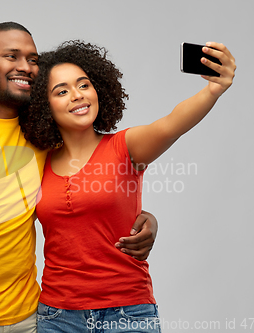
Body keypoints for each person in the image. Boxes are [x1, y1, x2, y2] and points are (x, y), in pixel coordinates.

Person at [0, 23, 158, 333]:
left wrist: (143, 218)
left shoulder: (41, 135)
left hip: (28, 316)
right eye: (11, 56)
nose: (25, 67)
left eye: (33, 59)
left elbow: (86, 192)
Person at [19, 40, 236, 332]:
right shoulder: (37, 161)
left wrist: (213, 90)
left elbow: (172, 124)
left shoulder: (125, 147)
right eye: (62, 91)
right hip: (58, 317)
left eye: (84, 85)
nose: (77, 96)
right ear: (44, 105)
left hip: (127, 313)